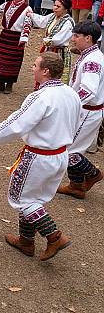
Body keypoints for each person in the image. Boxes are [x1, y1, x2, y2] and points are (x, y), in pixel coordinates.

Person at [0, 53, 80, 261]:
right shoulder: (71, 93)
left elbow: (16, 124)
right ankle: (26, 241)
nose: (32, 68)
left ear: (46, 71)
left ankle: (54, 236)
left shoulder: (40, 97)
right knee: (35, 198)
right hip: (60, 154)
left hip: (39, 157)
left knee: (23, 200)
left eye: (35, 65)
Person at [57, 21, 104, 199]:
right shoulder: (90, 55)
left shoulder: (92, 61)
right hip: (85, 110)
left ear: (88, 38)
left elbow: (88, 90)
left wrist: (69, 102)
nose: (73, 39)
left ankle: (93, 174)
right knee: (69, 147)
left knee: (68, 152)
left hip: (87, 111)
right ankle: (76, 186)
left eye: (76, 36)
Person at [29, 0, 75, 84]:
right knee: (45, 72)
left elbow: (60, 38)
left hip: (60, 53)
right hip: (49, 50)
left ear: (66, 9)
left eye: (58, 7)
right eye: (54, 5)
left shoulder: (68, 22)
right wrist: (31, 15)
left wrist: (48, 40)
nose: (55, 8)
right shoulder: (52, 16)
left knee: (55, 73)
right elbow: (42, 21)